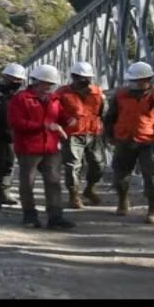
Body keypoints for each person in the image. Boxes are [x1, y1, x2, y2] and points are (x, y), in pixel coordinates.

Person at [103, 61, 154, 224]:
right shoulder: (120, 95)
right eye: (134, 80)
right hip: (124, 140)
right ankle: (122, 201)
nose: (137, 83)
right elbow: (110, 117)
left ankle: (153, 209)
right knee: (120, 175)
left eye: (140, 80)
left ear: (149, 79)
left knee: (153, 177)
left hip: (150, 141)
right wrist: (109, 136)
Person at [8, 64, 75, 230]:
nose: (49, 88)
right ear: (36, 82)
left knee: (53, 182)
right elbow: (16, 122)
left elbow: (60, 114)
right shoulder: (21, 98)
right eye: (46, 84)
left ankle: (55, 216)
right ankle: (29, 215)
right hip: (29, 148)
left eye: (51, 85)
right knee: (28, 183)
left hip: (50, 147)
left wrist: (69, 120)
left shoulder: (53, 99)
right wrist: (45, 126)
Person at [55, 61, 107, 209]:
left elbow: (104, 112)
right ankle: (74, 195)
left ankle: (90, 189)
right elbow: (54, 112)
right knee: (73, 166)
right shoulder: (61, 93)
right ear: (73, 77)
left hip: (93, 133)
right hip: (72, 134)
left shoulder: (98, 92)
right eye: (80, 77)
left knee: (98, 164)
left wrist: (107, 132)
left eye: (87, 78)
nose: (84, 80)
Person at [0, 63, 26, 210]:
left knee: (9, 164)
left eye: (19, 79)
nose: (16, 82)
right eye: (13, 78)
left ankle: (5, 192)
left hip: (13, 135)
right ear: (5, 77)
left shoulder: (20, 94)